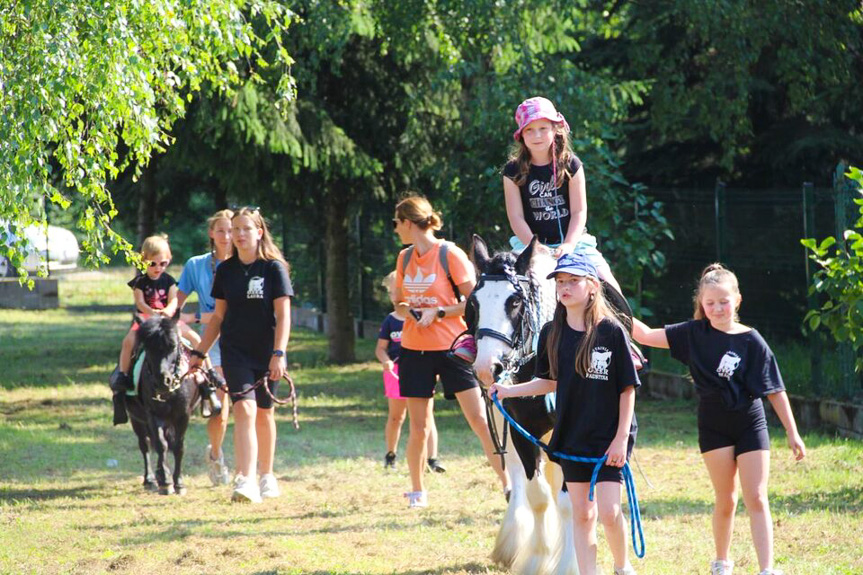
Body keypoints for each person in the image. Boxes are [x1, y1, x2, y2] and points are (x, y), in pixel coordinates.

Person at [631, 263, 806, 575]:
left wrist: (793, 433)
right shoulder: (692, 333)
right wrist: (601, 297)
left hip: (750, 423)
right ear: (702, 303)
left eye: (724, 301)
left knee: (757, 496)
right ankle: (721, 562)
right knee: (726, 499)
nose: (717, 308)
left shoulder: (753, 340)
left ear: (737, 300)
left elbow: (775, 391)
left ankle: (767, 569)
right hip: (713, 425)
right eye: (710, 303)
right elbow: (643, 334)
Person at [490, 251, 640, 575]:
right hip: (572, 435)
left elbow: (628, 388)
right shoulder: (550, 333)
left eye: (573, 280)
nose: (565, 287)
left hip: (609, 436)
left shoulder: (610, 332)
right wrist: (508, 391)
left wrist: (620, 439)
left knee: (611, 512)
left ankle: (622, 567)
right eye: (560, 281)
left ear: (592, 287)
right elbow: (547, 382)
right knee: (583, 514)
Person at [392, 195, 509, 508]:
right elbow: (398, 305)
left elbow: (475, 301)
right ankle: (417, 491)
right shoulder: (404, 258)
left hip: (453, 349)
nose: (395, 230)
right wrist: (410, 310)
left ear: (408, 222)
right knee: (419, 428)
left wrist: (440, 312)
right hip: (414, 350)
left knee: (480, 421)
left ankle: (508, 484)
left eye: (396, 223)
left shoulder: (449, 254)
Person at [189, 207, 293, 504]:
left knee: (264, 412)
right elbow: (218, 317)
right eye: (236, 230)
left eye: (246, 229)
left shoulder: (273, 268)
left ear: (259, 232)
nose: (240, 235)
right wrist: (200, 352)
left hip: (267, 351)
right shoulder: (225, 270)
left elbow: (283, 315)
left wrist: (279, 353)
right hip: (235, 352)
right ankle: (245, 479)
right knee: (243, 410)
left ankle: (266, 475)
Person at [503, 96, 622, 294]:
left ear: (554, 130)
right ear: (521, 135)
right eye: (529, 130)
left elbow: (579, 211)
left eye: (543, 128)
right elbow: (515, 217)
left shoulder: (571, 164)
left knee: (611, 286)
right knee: (505, 286)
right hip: (529, 245)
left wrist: (568, 245)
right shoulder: (512, 170)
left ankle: (623, 324)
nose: (537, 135)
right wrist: (535, 246)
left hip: (574, 243)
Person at [110, 235, 210, 425]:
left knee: (196, 338)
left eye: (162, 263)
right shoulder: (140, 282)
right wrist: (152, 312)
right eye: (153, 264)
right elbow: (139, 302)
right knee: (128, 342)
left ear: (169, 260)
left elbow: (174, 300)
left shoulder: (170, 281)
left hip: (167, 321)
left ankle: (207, 375)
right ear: (143, 261)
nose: (158, 268)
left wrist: (167, 312)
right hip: (146, 321)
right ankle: (123, 375)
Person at [177, 209, 234, 486]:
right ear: (212, 233)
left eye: (231, 230)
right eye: (221, 230)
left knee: (247, 405)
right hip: (211, 342)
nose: (227, 236)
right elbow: (175, 304)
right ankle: (216, 454)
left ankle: (252, 467)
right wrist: (174, 320)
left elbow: (232, 311)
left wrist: (195, 317)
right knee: (220, 403)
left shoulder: (244, 263)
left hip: (241, 337)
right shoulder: (196, 265)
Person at [375, 272, 446, 473]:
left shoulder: (421, 316)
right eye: (390, 292)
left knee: (426, 416)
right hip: (395, 372)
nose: (393, 296)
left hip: (419, 368)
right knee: (397, 416)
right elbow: (380, 348)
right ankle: (391, 455)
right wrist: (386, 362)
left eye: (395, 290)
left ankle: (432, 459)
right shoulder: (390, 320)